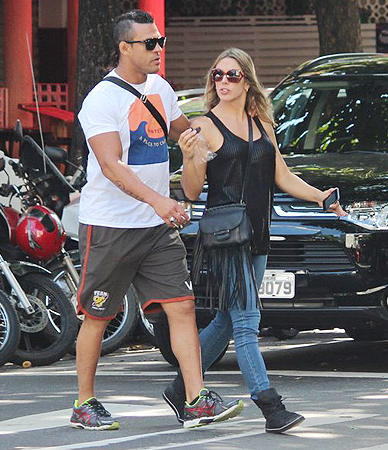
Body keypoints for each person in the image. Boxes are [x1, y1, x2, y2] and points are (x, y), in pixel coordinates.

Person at [71, 10, 243, 431]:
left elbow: (189, 136)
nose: (158, 50)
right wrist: (159, 201)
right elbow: (110, 165)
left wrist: (208, 146)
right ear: (124, 48)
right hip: (110, 226)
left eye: (160, 41)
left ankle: (195, 399)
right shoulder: (102, 100)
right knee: (98, 315)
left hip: (155, 226)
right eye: (149, 44)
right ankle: (84, 403)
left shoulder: (161, 90)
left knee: (182, 307)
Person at [165, 47, 346, 434]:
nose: (224, 82)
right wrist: (192, 159)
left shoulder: (261, 122)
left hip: (259, 234)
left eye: (232, 75)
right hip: (228, 238)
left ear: (247, 80)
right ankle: (271, 407)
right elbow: (194, 191)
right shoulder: (205, 126)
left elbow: (281, 175)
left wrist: (320, 196)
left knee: (226, 323)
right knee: (248, 322)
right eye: (217, 75)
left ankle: (181, 388)